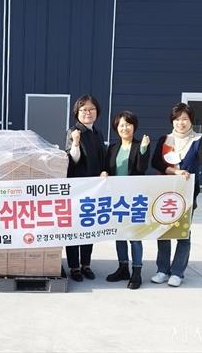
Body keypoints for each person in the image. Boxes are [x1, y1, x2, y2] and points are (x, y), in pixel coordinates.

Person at [151, 102, 202, 287]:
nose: (181, 123)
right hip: (165, 193)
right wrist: (174, 171)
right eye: (177, 119)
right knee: (164, 232)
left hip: (187, 195)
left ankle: (177, 272)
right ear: (172, 121)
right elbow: (156, 162)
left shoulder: (198, 140)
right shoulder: (165, 139)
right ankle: (162, 270)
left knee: (183, 233)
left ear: (191, 121)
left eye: (185, 119)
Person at [104, 111, 150, 289]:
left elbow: (141, 168)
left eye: (128, 124)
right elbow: (107, 168)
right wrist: (104, 172)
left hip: (134, 197)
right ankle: (123, 268)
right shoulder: (112, 148)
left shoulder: (140, 145)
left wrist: (144, 149)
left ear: (134, 127)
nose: (125, 128)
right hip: (117, 198)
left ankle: (136, 272)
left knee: (134, 236)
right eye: (121, 125)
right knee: (119, 234)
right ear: (117, 128)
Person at [65, 94, 107, 282]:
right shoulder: (74, 131)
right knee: (74, 227)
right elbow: (72, 160)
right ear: (77, 112)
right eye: (83, 110)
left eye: (91, 109)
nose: (88, 113)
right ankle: (74, 267)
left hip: (94, 188)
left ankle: (86, 265)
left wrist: (104, 171)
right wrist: (75, 142)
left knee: (89, 226)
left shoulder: (98, 133)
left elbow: (102, 158)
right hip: (77, 188)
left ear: (97, 112)